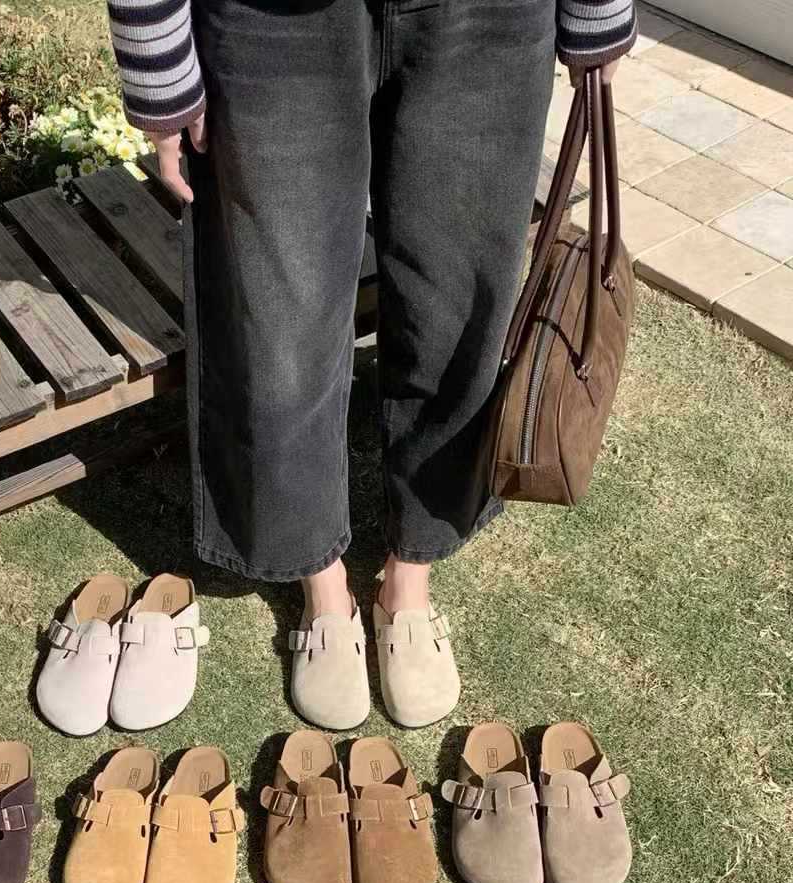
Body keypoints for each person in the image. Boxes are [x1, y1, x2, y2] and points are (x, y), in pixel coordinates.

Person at [104, 0, 634, 729]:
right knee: (278, 312)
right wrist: (157, 67)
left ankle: (408, 577)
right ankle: (323, 587)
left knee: (459, 302)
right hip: (274, 19)